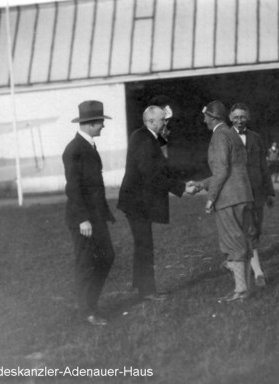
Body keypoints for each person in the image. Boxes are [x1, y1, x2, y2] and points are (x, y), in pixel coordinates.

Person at [117, 105, 197, 301]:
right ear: (151, 122)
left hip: (136, 200)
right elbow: (152, 174)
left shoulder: (144, 135)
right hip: (136, 202)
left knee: (142, 244)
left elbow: (159, 144)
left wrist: (165, 130)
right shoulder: (144, 139)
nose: (166, 123)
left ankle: (141, 285)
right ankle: (147, 291)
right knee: (145, 245)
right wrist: (181, 188)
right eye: (163, 120)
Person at [62, 100, 116, 326]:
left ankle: (90, 304)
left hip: (96, 216)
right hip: (83, 219)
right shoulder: (74, 149)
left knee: (106, 257)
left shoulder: (89, 146)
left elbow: (95, 185)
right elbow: (73, 188)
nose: (103, 126)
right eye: (100, 122)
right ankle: (87, 311)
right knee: (86, 263)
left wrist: (104, 213)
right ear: (90, 123)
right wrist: (83, 218)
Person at [230, 103, 275, 290]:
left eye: (243, 117)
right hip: (237, 193)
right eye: (236, 117)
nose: (239, 120)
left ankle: (247, 267)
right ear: (230, 118)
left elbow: (264, 167)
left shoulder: (256, 138)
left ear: (247, 118)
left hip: (257, 192)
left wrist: (269, 191)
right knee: (246, 232)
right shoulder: (225, 137)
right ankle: (258, 272)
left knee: (255, 229)